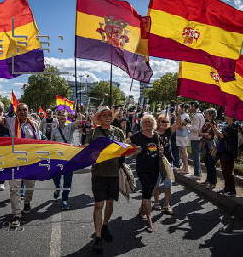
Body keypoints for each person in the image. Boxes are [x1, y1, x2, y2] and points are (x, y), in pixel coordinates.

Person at [0, 94, 41, 227]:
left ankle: (27, 202)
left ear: (28, 112)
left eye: (25, 110)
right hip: (15, 161)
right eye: (20, 110)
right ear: (16, 112)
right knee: (14, 189)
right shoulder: (11, 122)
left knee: (30, 187)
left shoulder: (34, 124)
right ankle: (16, 215)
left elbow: (39, 142)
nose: (22, 112)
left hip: (31, 161)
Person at [85, 106, 125, 254]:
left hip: (114, 173)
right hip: (98, 173)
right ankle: (98, 237)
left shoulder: (118, 132)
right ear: (99, 118)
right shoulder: (93, 132)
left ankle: (105, 225)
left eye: (109, 115)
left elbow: (124, 151)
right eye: (104, 115)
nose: (108, 117)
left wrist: (133, 150)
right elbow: (86, 150)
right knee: (98, 205)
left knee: (109, 203)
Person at [130, 114, 162, 233]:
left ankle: (141, 211)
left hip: (155, 168)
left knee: (148, 191)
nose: (147, 123)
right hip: (142, 168)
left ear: (153, 123)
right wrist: (134, 150)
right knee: (147, 192)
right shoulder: (137, 136)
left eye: (150, 121)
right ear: (142, 123)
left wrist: (161, 150)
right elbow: (127, 146)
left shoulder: (156, 136)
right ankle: (149, 220)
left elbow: (158, 148)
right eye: (145, 121)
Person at [50, 111, 80, 210]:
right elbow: (51, 144)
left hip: (69, 158)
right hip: (58, 158)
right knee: (56, 178)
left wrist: (79, 113)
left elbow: (79, 122)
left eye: (63, 118)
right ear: (57, 118)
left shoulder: (70, 127)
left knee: (68, 181)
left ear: (66, 118)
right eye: (60, 118)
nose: (61, 120)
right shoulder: (54, 131)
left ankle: (64, 200)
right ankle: (57, 188)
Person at [213, 115, 239, 197]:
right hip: (223, 151)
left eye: (227, 115)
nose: (224, 116)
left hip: (229, 151)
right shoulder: (226, 125)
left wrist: (215, 129)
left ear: (231, 117)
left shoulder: (234, 126)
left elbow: (223, 136)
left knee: (229, 171)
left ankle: (232, 191)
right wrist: (215, 129)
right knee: (224, 171)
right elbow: (220, 136)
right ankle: (226, 188)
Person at [153, 115, 174, 214]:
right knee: (156, 184)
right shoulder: (153, 134)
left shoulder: (168, 131)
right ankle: (156, 202)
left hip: (168, 162)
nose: (165, 123)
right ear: (158, 122)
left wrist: (179, 111)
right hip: (156, 163)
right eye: (163, 121)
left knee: (168, 184)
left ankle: (167, 204)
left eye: (167, 121)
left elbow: (178, 124)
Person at [201, 108, 218, 189]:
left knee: (211, 164)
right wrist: (204, 134)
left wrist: (203, 134)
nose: (205, 114)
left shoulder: (213, 123)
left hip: (211, 146)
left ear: (211, 115)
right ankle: (208, 180)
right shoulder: (206, 123)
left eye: (207, 113)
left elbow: (210, 136)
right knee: (207, 163)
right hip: (206, 145)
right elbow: (200, 133)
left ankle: (213, 182)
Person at [189, 101, 205, 180]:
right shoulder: (201, 115)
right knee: (197, 156)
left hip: (195, 138)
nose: (189, 108)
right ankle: (199, 173)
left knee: (195, 156)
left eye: (191, 106)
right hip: (198, 137)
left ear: (194, 106)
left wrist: (188, 125)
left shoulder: (196, 116)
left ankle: (197, 174)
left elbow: (195, 128)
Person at [175, 104, 191, 174]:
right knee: (181, 152)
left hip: (183, 134)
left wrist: (178, 123)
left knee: (184, 152)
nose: (178, 109)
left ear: (183, 108)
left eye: (179, 108)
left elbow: (181, 126)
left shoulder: (185, 115)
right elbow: (179, 125)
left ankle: (186, 169)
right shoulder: (181, 115)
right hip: (179, 134)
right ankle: (183, 168)